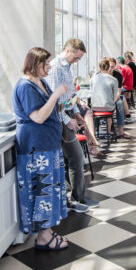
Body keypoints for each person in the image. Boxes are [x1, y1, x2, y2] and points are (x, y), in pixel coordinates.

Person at [12, 47, 71, 250]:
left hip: (48, 146)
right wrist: (56, 95)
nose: (49, 67)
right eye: (45, 64)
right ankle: (43, 237)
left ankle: (48, 229)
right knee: (42, 190)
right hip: (36, 149)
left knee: (51, 189)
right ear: (35, 64)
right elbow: (37, 116)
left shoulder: (41, 82)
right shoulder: (26, 86)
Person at [46, 38, 101, 212]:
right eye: (76, 58)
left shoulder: (67, 67)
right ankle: (76, 198)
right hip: (59, 118)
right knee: (76, 157)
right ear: (68, 51)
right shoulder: (56, 68)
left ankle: (76, 197)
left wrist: (77, 112)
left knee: (74, 159)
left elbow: (70, 95)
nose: (76, 62)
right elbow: (55, 100)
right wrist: (67, 119)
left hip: (68, 113)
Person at [91, 59, 129, 140]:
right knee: (110, 107)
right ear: (107, 67)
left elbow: (117, 94)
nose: (110, 69)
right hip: (108, 104)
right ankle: (108, 132)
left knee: (119, 103)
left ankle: (94, 133)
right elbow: (115, 93)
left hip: (97, 106)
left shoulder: (94, 78)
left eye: (112, 67)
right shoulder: (113, 80)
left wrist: (112, 101)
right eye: (110, 67)